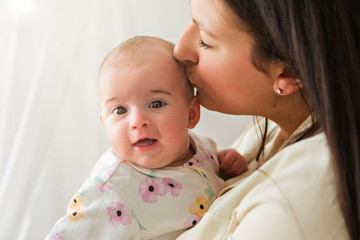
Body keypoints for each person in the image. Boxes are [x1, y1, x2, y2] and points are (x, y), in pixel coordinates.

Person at [173, 0, 359, 239]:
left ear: (289, 73)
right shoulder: (276, 126)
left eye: (205, 41)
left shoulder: (295, 202)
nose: (179, 50)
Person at [45, 36, 247, 240]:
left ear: (191, 113)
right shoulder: (111, 189)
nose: (137, 121)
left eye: (156, 104)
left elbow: (208, 168)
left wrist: (224, 161)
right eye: (120, 110)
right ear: (104, 122)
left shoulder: (200, 145)